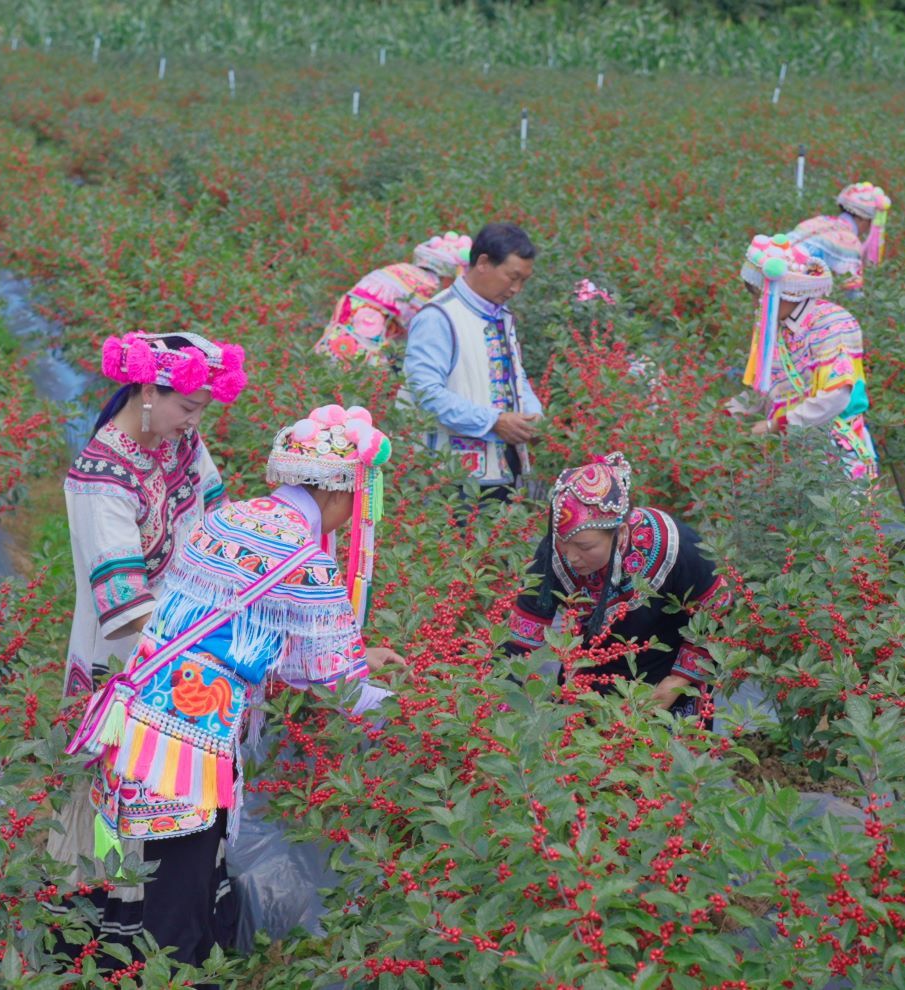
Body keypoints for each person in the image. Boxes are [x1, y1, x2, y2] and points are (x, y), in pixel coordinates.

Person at [64, 403, 403, 969]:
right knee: (176, 900)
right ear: (344, 494)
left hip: (136, 717)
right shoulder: (308, 564)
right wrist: (423, 717)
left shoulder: (227, 521)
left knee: (130, 867)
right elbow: (339, 689)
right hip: (190, 749)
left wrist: (353, 655)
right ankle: (163, 976)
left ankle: (96, 963)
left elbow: (234, 634)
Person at [47, 329, 249, 957]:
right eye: (187, 406)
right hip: (133, 666)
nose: (195, 421)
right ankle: (107, 952)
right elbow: (126, 607)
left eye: (201, 411)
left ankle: (178, 938)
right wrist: (218, 637)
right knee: (125, 813)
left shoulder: (180, 440)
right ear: (145, 390)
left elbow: (216, 524)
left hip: (189, 655)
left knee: (185, 813)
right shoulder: (100, 478)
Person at [501, 453, 730, 723]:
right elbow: (523, 634)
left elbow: (716, 610)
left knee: (664, 756)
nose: (571, 556)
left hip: (668, 673)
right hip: (591, 671)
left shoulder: (676, 546)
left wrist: (677, 681)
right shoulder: (553, 554)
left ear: (620, 533)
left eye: (585, 547)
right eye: (563, 541)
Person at [402, 221, 544, 498]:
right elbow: (426, 393)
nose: (516, 289)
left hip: (503, 467)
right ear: (483, 262)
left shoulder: (502, 316)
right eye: (511, 277)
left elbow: (516, 375)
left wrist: (533, 415)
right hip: (452, 478)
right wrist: (493, 421)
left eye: (523, 281)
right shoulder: (439, 317)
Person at [739, 236, 880, 483]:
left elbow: (837, 396)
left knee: (837, 515)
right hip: (792, 446)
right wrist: (736, 412)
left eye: (760, 296)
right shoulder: (775, 326)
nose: (756, 305)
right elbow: (768, 384)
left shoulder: (833, 324)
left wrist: (779, 425)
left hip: (835, 447)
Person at [314, 231, 472, 367]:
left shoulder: (404, 270)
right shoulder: (428, 285)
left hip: (350, 314)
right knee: (362, 368)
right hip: (367, 326)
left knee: (339, 359)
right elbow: (426, 327)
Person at [781, 181, 892, 295]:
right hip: (791, 285)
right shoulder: (850, 242)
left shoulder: (819, 220)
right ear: (865, 219)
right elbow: (851, 292)